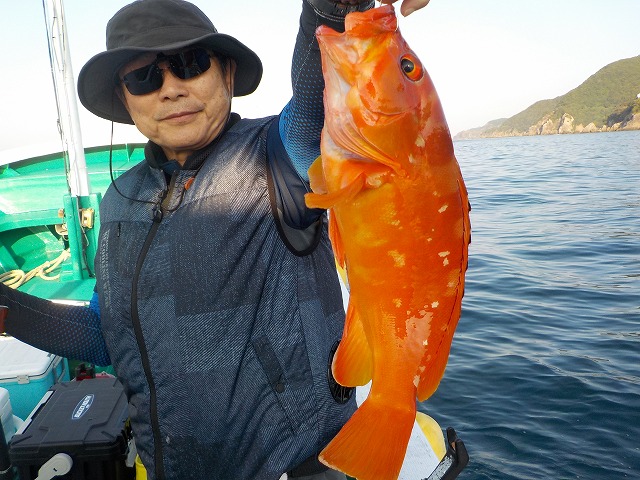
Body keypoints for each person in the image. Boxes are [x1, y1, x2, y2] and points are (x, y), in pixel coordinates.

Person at [0, 0, 430, 478]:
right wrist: (8, 309)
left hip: (295, 468)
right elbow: (108, 334)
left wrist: (336, 7)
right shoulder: (119, 199)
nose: (170, 88)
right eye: (144, 78)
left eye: (190, 63)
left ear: (227, 73)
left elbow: (316, 93)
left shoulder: (280, 155)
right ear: (125, 99)